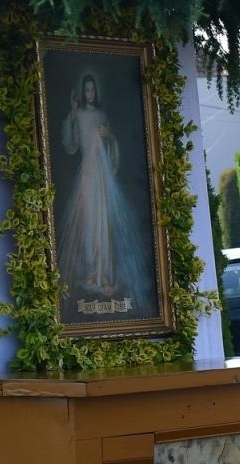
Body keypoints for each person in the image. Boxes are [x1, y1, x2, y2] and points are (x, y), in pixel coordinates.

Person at [57, 73, 151, 308]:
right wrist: (71, 112)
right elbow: (72, 144)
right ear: (82, 92)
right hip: (88, 174)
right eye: (86, 90)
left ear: (95, 92)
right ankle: (91, 272)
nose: (89, 94)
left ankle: (105, 276)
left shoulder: (101, 115)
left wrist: (109, 137)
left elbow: (112, 144)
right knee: (90, 223)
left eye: (92, 90)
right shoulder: (78, 115)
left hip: (103, 175)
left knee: (104, 225)